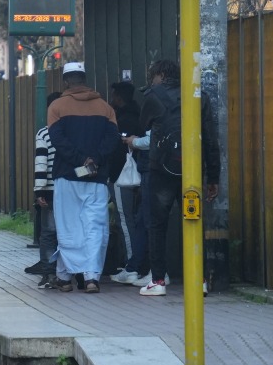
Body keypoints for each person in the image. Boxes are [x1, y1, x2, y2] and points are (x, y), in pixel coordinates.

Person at [132, 59, 220, 297]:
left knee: (157, 224)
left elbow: (143, 127)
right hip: (192, 170)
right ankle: (198, 279)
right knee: (194, 221)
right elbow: (211, 140)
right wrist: (213, 177)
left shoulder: (153, 96)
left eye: (153, 76)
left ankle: (158, 280)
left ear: (159, 75)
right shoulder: (199, 96)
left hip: (161, 170)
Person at [45, 62, 121, 294]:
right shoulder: (105, 108)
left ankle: (65, 278)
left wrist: (80, 160)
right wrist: (94, 160)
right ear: (84, 79)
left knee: (68, 227)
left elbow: (58, 141)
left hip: (67, 177)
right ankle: (91, 278)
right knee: (94, 227)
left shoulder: (56, 106)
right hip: (97, 178)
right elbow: (112, 139)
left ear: (66, 81)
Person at [107, 80, 148, 285]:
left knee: (125, 219)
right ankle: (137, 263)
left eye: (113, 96)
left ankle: (132, 265)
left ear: (118, 97)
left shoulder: (121, 120)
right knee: (137, 220)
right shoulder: (140, 116)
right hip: (140, 177)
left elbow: (115, 150)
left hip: (122, 177)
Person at [25, 91, 62, 280]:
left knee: (48, 231)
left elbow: (41, 164)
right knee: (68, 230)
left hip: (49, 189)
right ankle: (68, 270)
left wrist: (39, 190)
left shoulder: (44, 133)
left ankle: (49, 269)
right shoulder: (72, 131)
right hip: (69, 188)